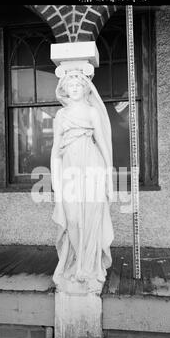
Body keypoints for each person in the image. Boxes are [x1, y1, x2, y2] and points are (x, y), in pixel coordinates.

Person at [51, 69, 114, 292]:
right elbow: (54, 150)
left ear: (85, 88)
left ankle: (86, 267)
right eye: (71, 85)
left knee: (90, 218)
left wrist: (109, 176)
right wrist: (55, 180)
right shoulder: (61, 116)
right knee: (73, 219)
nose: (75, 88)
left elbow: (103, 144)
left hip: (91, 166)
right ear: (65, 89)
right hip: (69, 169)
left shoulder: (91, 112)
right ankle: (78, 259)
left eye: (78, 85)